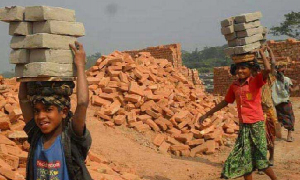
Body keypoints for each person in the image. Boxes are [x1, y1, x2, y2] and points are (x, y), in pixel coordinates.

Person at [199, 48, 277, 180]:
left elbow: (268, 70)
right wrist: (207, 114)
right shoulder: (234, 86)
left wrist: (263, 53)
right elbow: (225, 101)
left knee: (261, 159)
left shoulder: (255, 81)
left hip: (256, 124)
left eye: (243, 68)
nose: (239, 71)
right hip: (244, 125)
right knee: (244, 159)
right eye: (237, 68)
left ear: (251, 70)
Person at [18, 41, 92, 180]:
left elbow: (82, 103)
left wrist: (80, 66)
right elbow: (23, 99)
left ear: (63, 112)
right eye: (37, 111)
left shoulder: (71, 137)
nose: (41, 116)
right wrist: (26, 67)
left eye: (48, 110)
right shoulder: (36, 136)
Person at [252, 46, 277, 167]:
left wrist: (267, 51)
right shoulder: (252, 81)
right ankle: (261, 161)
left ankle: (271, 157)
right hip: (257, 113)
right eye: (256, 71)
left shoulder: (269, 79)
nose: (258, 73)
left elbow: (272, 64)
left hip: (269, 111)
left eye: (259, 71)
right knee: (259, 138)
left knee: (271, 136)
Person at [272, 65, 297, 142]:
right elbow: (292, 90)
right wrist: (297, 87)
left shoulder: (273, 80)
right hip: (285, 102)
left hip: (277, 103)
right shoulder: (286, 79)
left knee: (280, 117)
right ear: (283, 72)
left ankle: (278, 134)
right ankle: (289, 137)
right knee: (290, 118)